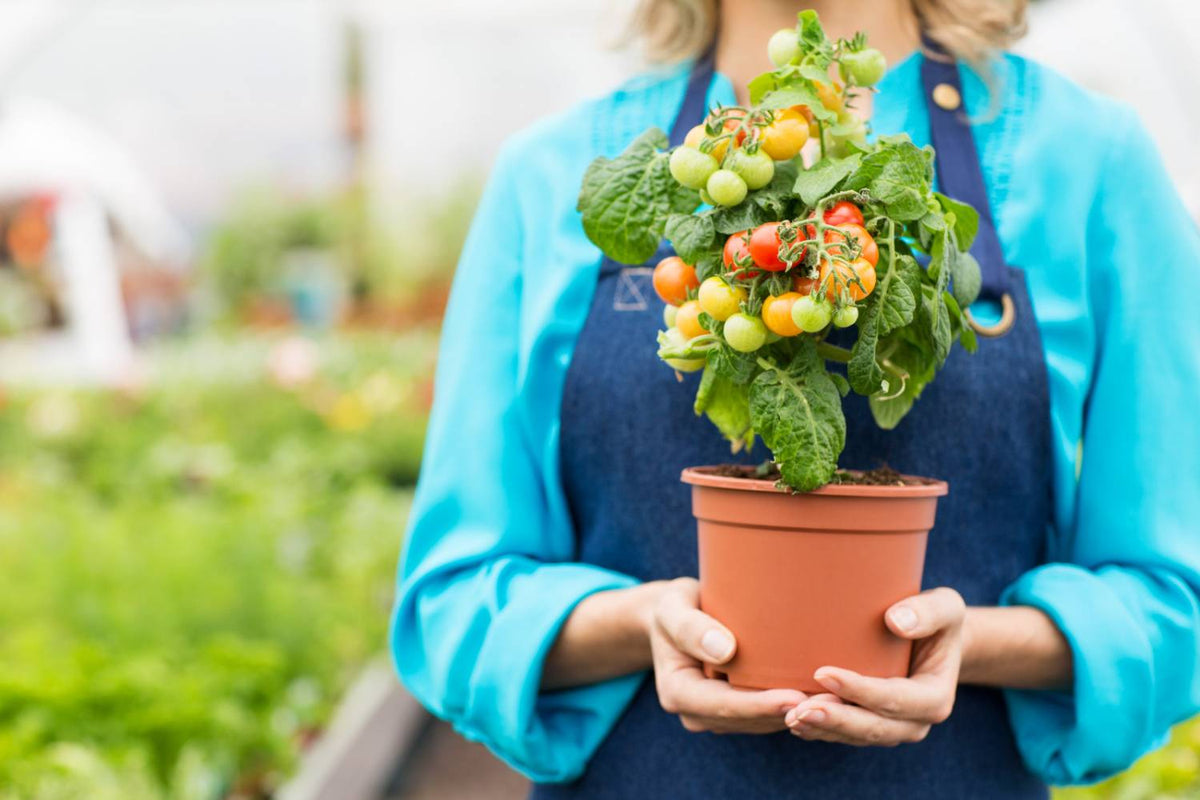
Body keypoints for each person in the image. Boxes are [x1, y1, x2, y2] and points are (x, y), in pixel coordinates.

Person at [391, 0, 1200, 797]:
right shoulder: (554, 172)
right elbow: (453, 600)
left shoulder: (1088, 162)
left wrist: (971, 643)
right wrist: (643, 623)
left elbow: (1172, 601)